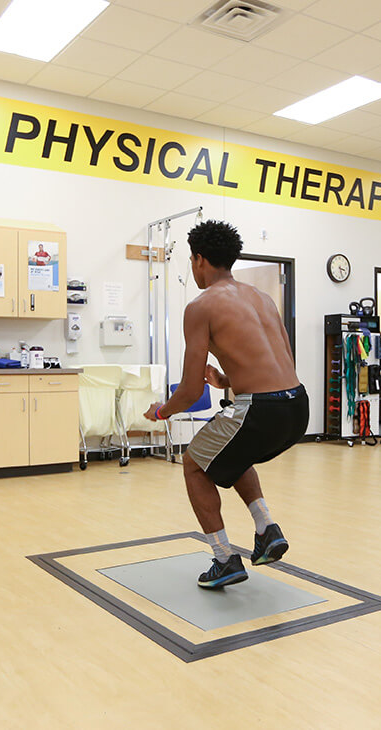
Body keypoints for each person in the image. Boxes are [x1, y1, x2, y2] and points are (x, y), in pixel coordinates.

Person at [145, 220, 308, 589]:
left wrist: (160, 412)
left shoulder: (201, 306)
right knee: (231, 450)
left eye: (190, 260)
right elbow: (282, 365)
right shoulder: (262, 298)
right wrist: (227, 381)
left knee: (193, 464)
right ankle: (267, 529)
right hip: (297, 406)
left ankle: (224, 559)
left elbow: (188, 391)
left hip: (260, 410)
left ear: (200, 259)